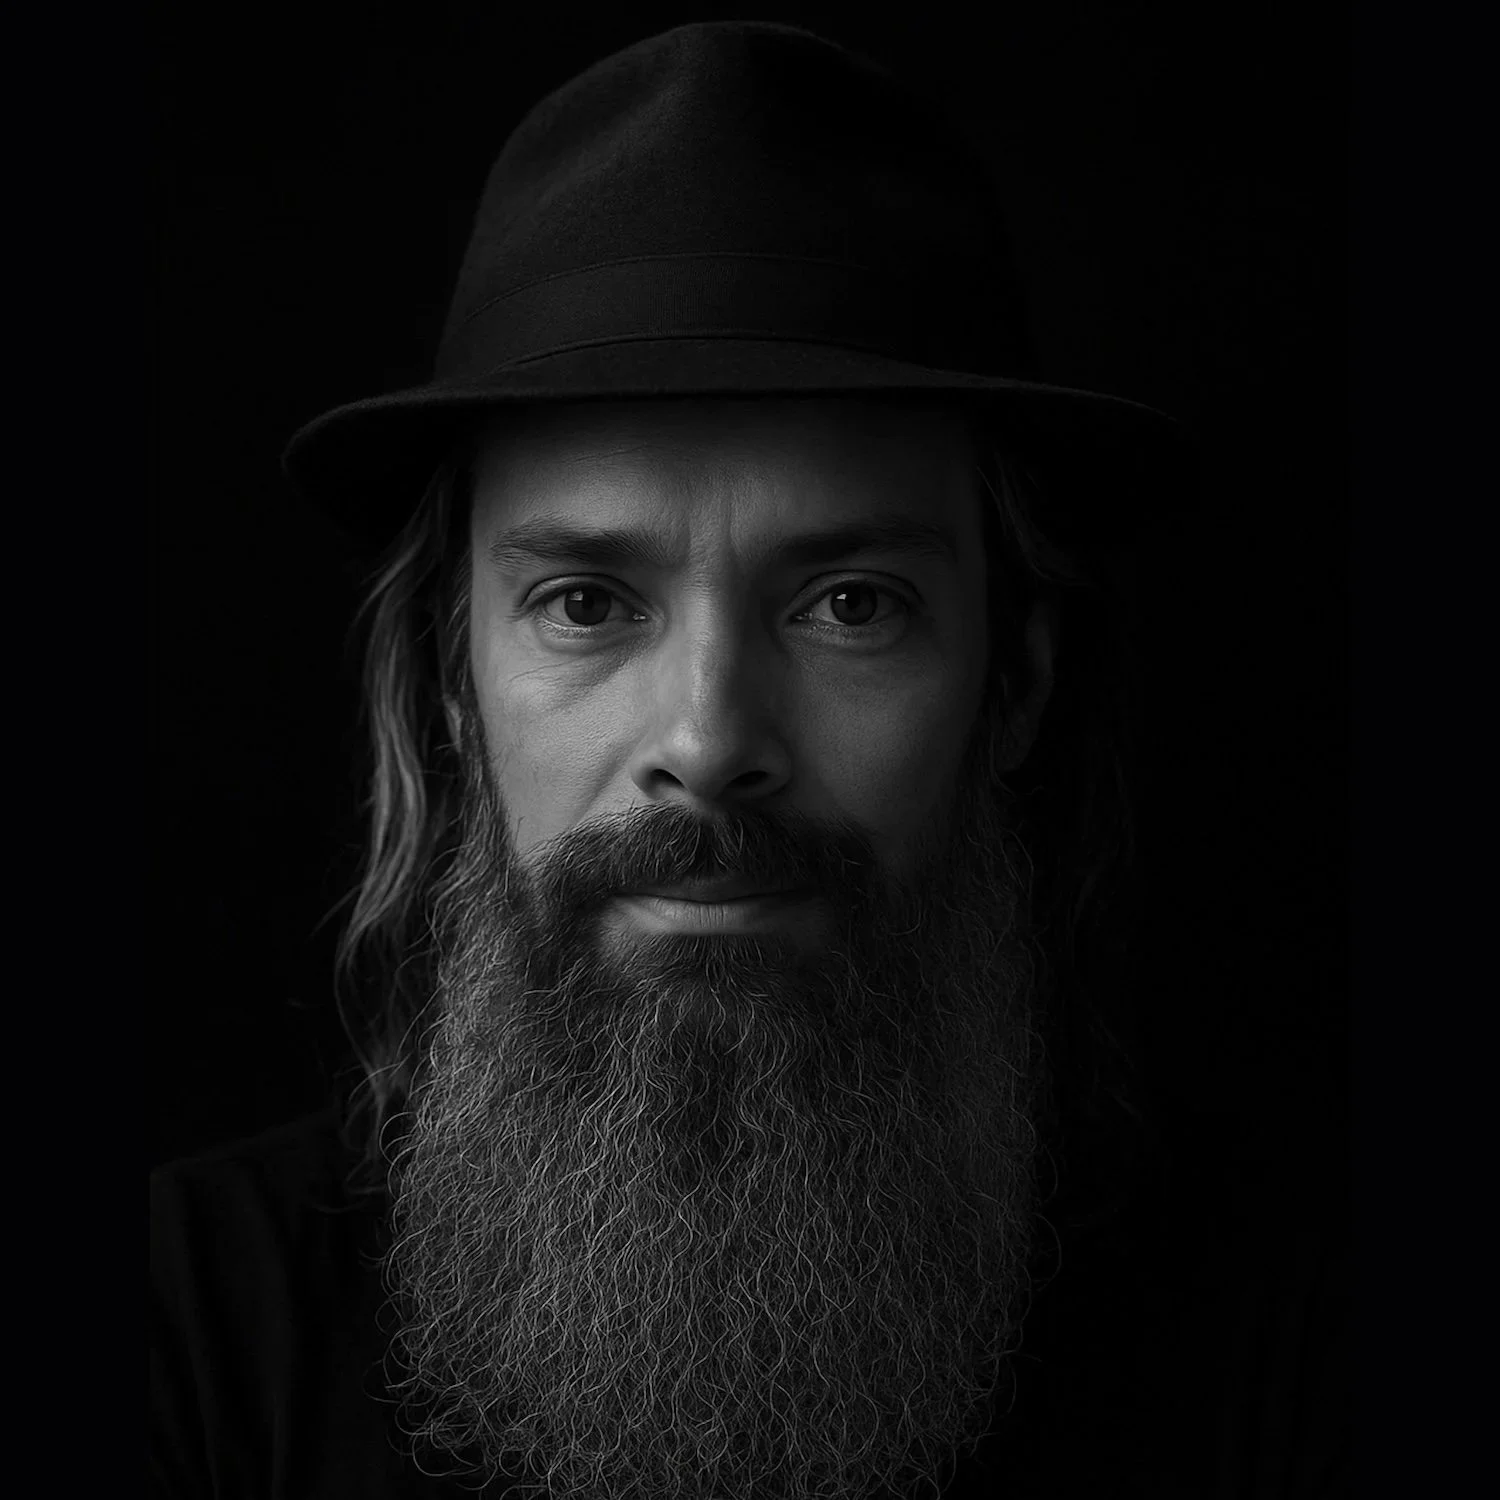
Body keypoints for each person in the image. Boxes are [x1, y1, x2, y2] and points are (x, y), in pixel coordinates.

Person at [149, 20, 1346, 1500]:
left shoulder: (1315, 1347)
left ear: (1015, 680)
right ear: (450, 683)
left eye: (851, 605)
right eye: (587, 604)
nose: (710, 744)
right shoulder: (172, 1341)